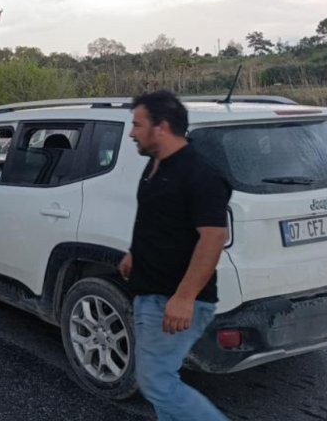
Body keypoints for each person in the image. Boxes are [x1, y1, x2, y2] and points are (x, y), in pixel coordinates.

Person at [119, 90, 231, 421]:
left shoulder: (199, 174)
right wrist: (134, 252)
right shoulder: (155, 164)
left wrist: (184, 297)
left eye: (137, 125)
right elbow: (160, 220)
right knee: (160, 383)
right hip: (150, 291)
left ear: (162, 127)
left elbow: (213, 237)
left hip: (175, 300)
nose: (131, 133)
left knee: (157, 382)